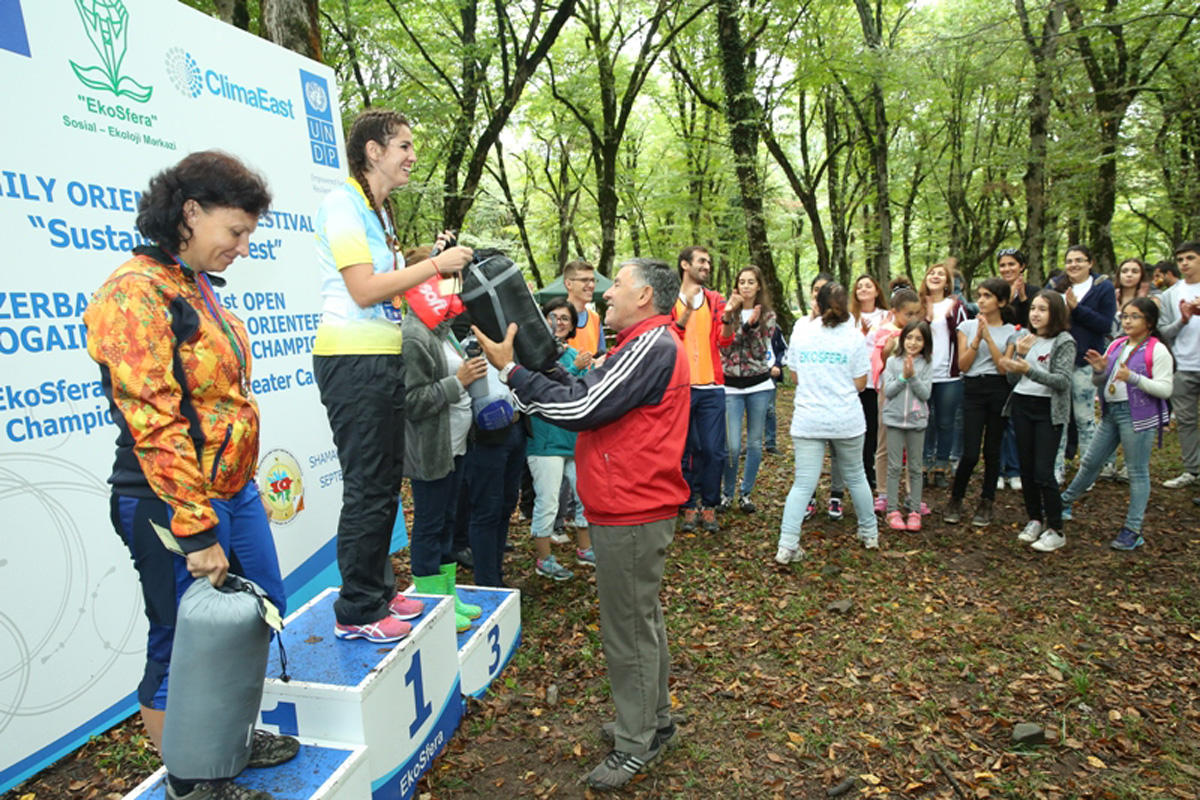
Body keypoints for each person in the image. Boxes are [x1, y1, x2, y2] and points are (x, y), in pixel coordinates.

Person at [84, 151, 299, 800]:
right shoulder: (135, 292)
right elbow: (155, 421)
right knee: (183, 641)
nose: (243, 247)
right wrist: (197, 528)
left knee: (258, 610)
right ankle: (191, 778)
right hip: (170, 501)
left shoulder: (196, 284)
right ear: (190, 212)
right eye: (235, 231)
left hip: (233, 490)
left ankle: (229, 737)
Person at [471, 258, 689, 791]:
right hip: (629, 506)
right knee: (642, 622)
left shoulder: (653, 345)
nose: (607, 293)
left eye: (619, 285)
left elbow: (583, 407)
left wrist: (511, 372)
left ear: (645, 296)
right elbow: (583, 385)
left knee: (628, 632)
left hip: (632, 510)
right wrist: (536, 366)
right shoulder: (639, 344)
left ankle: (636, 743)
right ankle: (654, 722)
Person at [312, 109, 473, 643]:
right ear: (373, 151)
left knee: (383, 486)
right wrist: (435, 266)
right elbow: (363, 290)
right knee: (367, 488)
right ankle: (357, 609)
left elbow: (394, 289)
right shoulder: (343, 204)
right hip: (351, 359)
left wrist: (433, 270)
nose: (412, 156)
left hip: (381, 356)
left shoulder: (378, 212)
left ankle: (378, 591)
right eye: (403, 145)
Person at [400, 272, 486, 632]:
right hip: (431, 451)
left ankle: (448, 597)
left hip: (456, 446)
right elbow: (411, 401)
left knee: (449, 523)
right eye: (447, 289)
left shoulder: (441, 330)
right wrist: (459, 381)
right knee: (430, 526)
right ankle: (433, 607)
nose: (456, 299)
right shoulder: (413, 335)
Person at [1058, 297, 1174, 550]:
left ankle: (1133, 529)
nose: (1127, 321)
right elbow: (1101, 382)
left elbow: (1165, 389)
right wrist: (1100, 370)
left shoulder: (1157, 350)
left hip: (1138, 416)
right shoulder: (1117, 344)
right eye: (1125, 316)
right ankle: (1063, 503)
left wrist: (1133, 378)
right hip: (1111, 413)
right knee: (1091, 461)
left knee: (1137, 470)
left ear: (1149, 322)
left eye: (1134, 317)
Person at [776, 282, 880, 563]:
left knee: (802, 484)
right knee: (856, 476)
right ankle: (869, 532)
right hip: (845, 419)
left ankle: (787, 545)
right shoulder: (854, 336)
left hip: (809, 418)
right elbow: (861, 383)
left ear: (817, 304)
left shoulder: (802, 333)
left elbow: (794, 377)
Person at [999, 291, 1075, 552]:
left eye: (1043, 309)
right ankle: (1034, 519)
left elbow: (1063, 381)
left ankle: (1056, 528)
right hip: (1022, 406)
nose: (1036, 314)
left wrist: (1029, 369)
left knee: (1043, 471)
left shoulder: (1064, 341)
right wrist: (1018, 358)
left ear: (1055, 312)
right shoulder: (1025, 338)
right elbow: (1012, 380)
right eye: (1033, 308)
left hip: (1047, 410)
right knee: (1027, 468)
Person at [526, 298, 596, 580]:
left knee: (585, 496)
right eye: (552, 317)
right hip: (545, 441)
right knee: (548, 501)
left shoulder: (576, 354)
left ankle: (585, 549)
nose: (558, 323)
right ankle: (544, 559)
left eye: (565, 318)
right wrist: (576, 369)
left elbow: (582, 393)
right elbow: (544, 390)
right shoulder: (533, 355)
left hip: (575, 440)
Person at [943, 278, 1016, 527]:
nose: (981, 300)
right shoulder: (966, 326)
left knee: (993, 451)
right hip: (973, 389)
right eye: (980, 295)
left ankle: (987, 501)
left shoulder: (1011, 331)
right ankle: (956, 498)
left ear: (1001, 302)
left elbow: (1004, 367)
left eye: (988, 296)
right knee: (970, 452)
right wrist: (977, 339)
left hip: (998, 389)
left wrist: (989, 339)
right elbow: (963, 364)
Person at [672, 246, 735, 533]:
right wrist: (686, 312)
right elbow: (669, 336)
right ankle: (687, 504)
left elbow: (725, 341)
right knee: (685, 449)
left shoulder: (715, 299)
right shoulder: (669, 299)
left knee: (713, 449)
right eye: (701, 261)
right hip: (680, 387)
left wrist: (729, 317)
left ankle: (709, 504)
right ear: (685, 265)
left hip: (711, 386)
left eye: (708, 262)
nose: (706, 266)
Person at [1054, 244, 1117, 486]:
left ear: (1090, 263)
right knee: (1059, 419)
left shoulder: (1102, 288)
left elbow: (1105, 324)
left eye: (1079, 260)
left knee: (1085, 419)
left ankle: (1087, 473)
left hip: (1086, 361)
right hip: (1059, 362)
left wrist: (1077, 309)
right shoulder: (1057, 286)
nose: (1074, 265)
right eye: (1069, 261)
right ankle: (1057, 468)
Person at [718, 266, 778, 513]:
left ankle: (746, 493)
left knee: (754, 443)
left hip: (759, 385)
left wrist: (752, 327)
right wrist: (737, 322)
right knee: (732, 445)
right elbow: (725, 348)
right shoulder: (727, 312)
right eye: (741, 282)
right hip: (731, 385)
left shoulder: (768, 315)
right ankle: (727, 493)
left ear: (758, 286)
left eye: (751, 282)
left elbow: (760, 352)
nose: (745, 286)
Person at [869, 288, 924, 513]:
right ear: (894, 312)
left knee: (913, 446)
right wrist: (886, 350)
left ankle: (913, 494)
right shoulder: (885, 332)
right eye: (908, 314)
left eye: (916, 313)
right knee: (885, 442)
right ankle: (883, 492)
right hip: (890, 393)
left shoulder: (919, 332)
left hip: (914, 393)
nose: (913, 318)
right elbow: (878, 361)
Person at [919, 262, 969, 489]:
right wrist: (927, 318)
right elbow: (911, 335)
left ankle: (941, 466)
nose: (936, 276)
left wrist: (949, 319)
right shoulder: (919, 304)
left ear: (948, 282)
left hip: (948, 375)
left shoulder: (955, 306)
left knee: (946, 422)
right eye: (932, 272)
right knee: (923, 421)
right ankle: (922, 465)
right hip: (922, 374)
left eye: (941, 274)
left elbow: (963, 335)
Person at [882, 319, 933, 532]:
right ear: (902, 339)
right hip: (894, 420)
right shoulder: (892, 362)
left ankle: (914, 510)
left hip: (916, 421)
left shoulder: (926, 364)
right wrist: (903, 377)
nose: (913, 342)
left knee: (915, 467)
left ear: (925, 342)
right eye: (909, 337)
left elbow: (925, 394)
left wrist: (913, 378)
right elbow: (888, 391)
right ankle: (892, 510)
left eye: (919, 339)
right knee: (894, 467)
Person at [1158, 241, 1200, 488]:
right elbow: (1163, 331)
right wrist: (1183, 319)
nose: (1184, 263)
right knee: (1186, 420)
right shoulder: (1170, 295)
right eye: (1181, 259)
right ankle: (1192, 470)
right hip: (1183, 365)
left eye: (1190, 258)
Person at [848, 275, 889, 492]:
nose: (863, 289)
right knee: (854, 427)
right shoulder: (849, 317)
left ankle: (868, 469)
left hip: (876, 380)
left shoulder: (885, 316)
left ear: (876, 291)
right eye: (859, 287)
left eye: (868, 286)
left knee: (872, 427)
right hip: (853, 380)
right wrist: (861, 335)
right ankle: (852, 469)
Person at [563, 259, 607, 359]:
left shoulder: (594, 318)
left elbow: (602, 355)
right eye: (584, 280)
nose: (591, 285)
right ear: (569, 284)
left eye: (592, 280)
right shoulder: (557, 317)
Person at [997, 248, 1040, 329]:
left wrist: (1022, 298)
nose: (1007, 269)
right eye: (1002, 265)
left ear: (1022, 267)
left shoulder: (1035, 292)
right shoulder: (994, 292)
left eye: (1011, 264)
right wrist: (1009, 299)